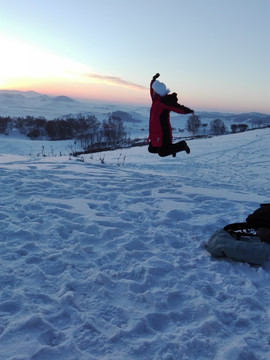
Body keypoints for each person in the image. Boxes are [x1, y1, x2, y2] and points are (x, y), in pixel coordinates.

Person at [148, 73, 194, 157]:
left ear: (158, 91)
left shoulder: (163, 101)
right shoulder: (155, 99)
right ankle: (172, 149)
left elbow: (176, 107)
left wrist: (187, 110)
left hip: (163, 131)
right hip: (155, 131)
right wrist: (153, 80)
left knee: (162, 153)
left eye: (154, 90)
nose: (153, 91)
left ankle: (182, 145)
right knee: (151, 149)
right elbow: (152, 89)